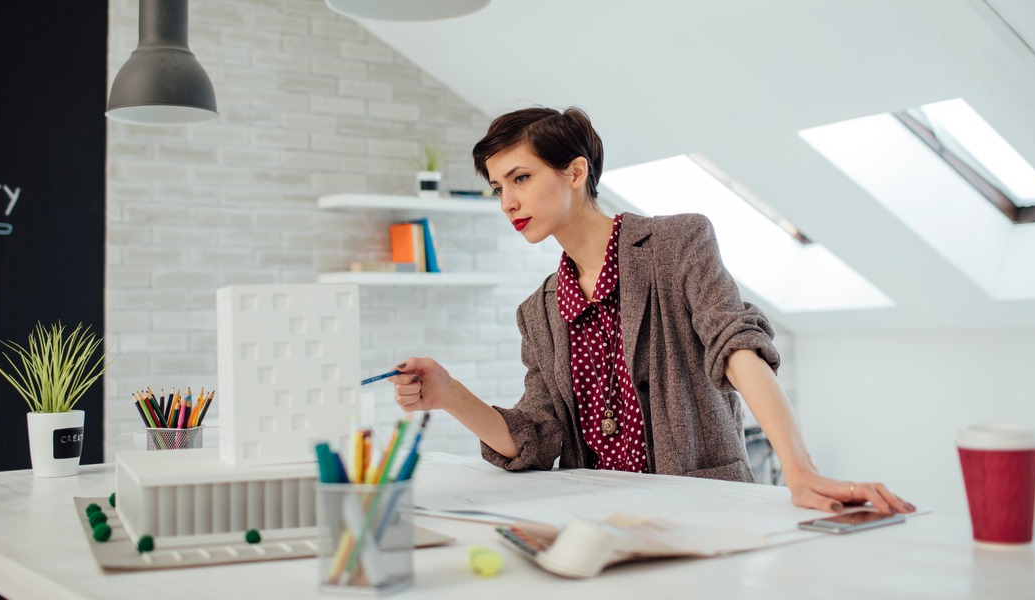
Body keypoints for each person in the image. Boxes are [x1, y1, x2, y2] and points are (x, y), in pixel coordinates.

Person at [391, 107, 914, 515]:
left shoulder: (676, 243)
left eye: (520, 178)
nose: (507, 201)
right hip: (598, 526)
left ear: (575, 172)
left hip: (702, 514)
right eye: (498, 187)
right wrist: (450, 396)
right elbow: (537, 436)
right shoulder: (539, 311)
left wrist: (799, 471)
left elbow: (737, 347)